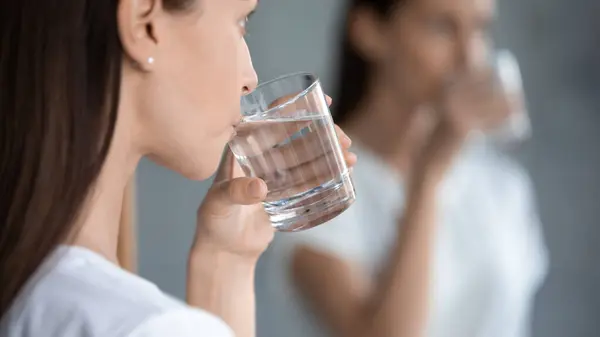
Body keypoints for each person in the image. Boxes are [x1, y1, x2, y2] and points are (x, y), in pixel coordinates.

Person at [0, 1, 356, 337]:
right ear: (145, 25)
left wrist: (225, 261)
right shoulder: (152, 325)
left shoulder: (32, 291)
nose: (250, 78)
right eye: (240, 21)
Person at [257, 0, 548, 336]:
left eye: (480, 29)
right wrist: (427, 176)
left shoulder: (502, 183)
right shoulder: (315, 188)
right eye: (442, 27)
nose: (471, 57)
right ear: (369, 31)